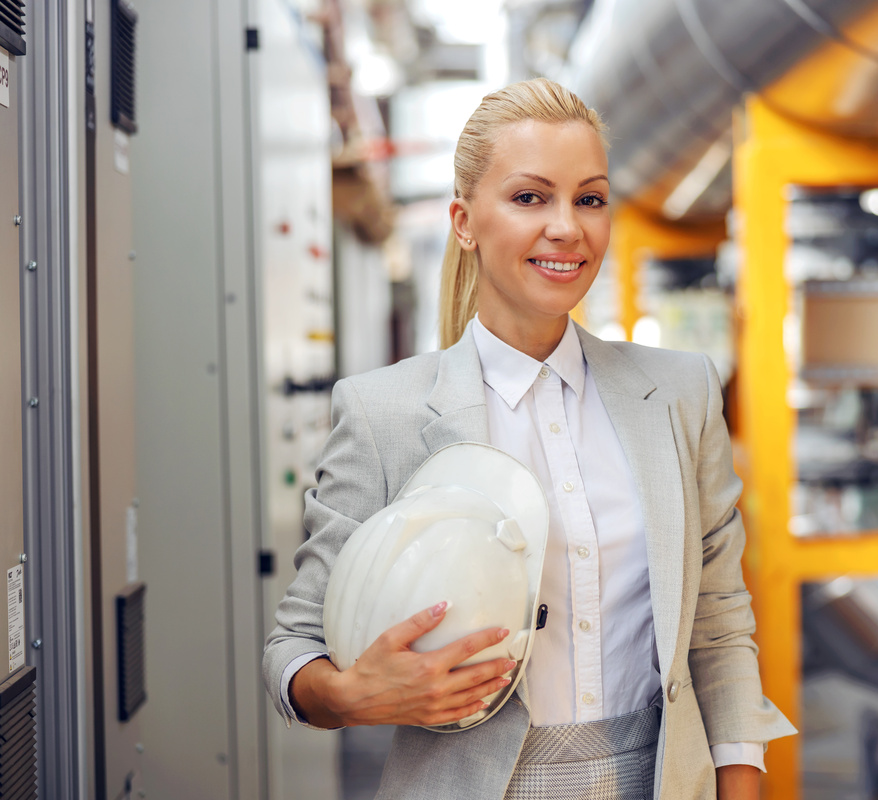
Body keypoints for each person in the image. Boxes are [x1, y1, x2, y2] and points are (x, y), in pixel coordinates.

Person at [262, 77, 795, 800]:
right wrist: (358, 695)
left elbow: (719, 625)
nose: (567, 228)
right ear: (463, 221)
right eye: (529, 197)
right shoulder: (383, 412)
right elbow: (292, 649)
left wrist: (740, 783)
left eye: (590, 198)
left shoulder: (680, 395)